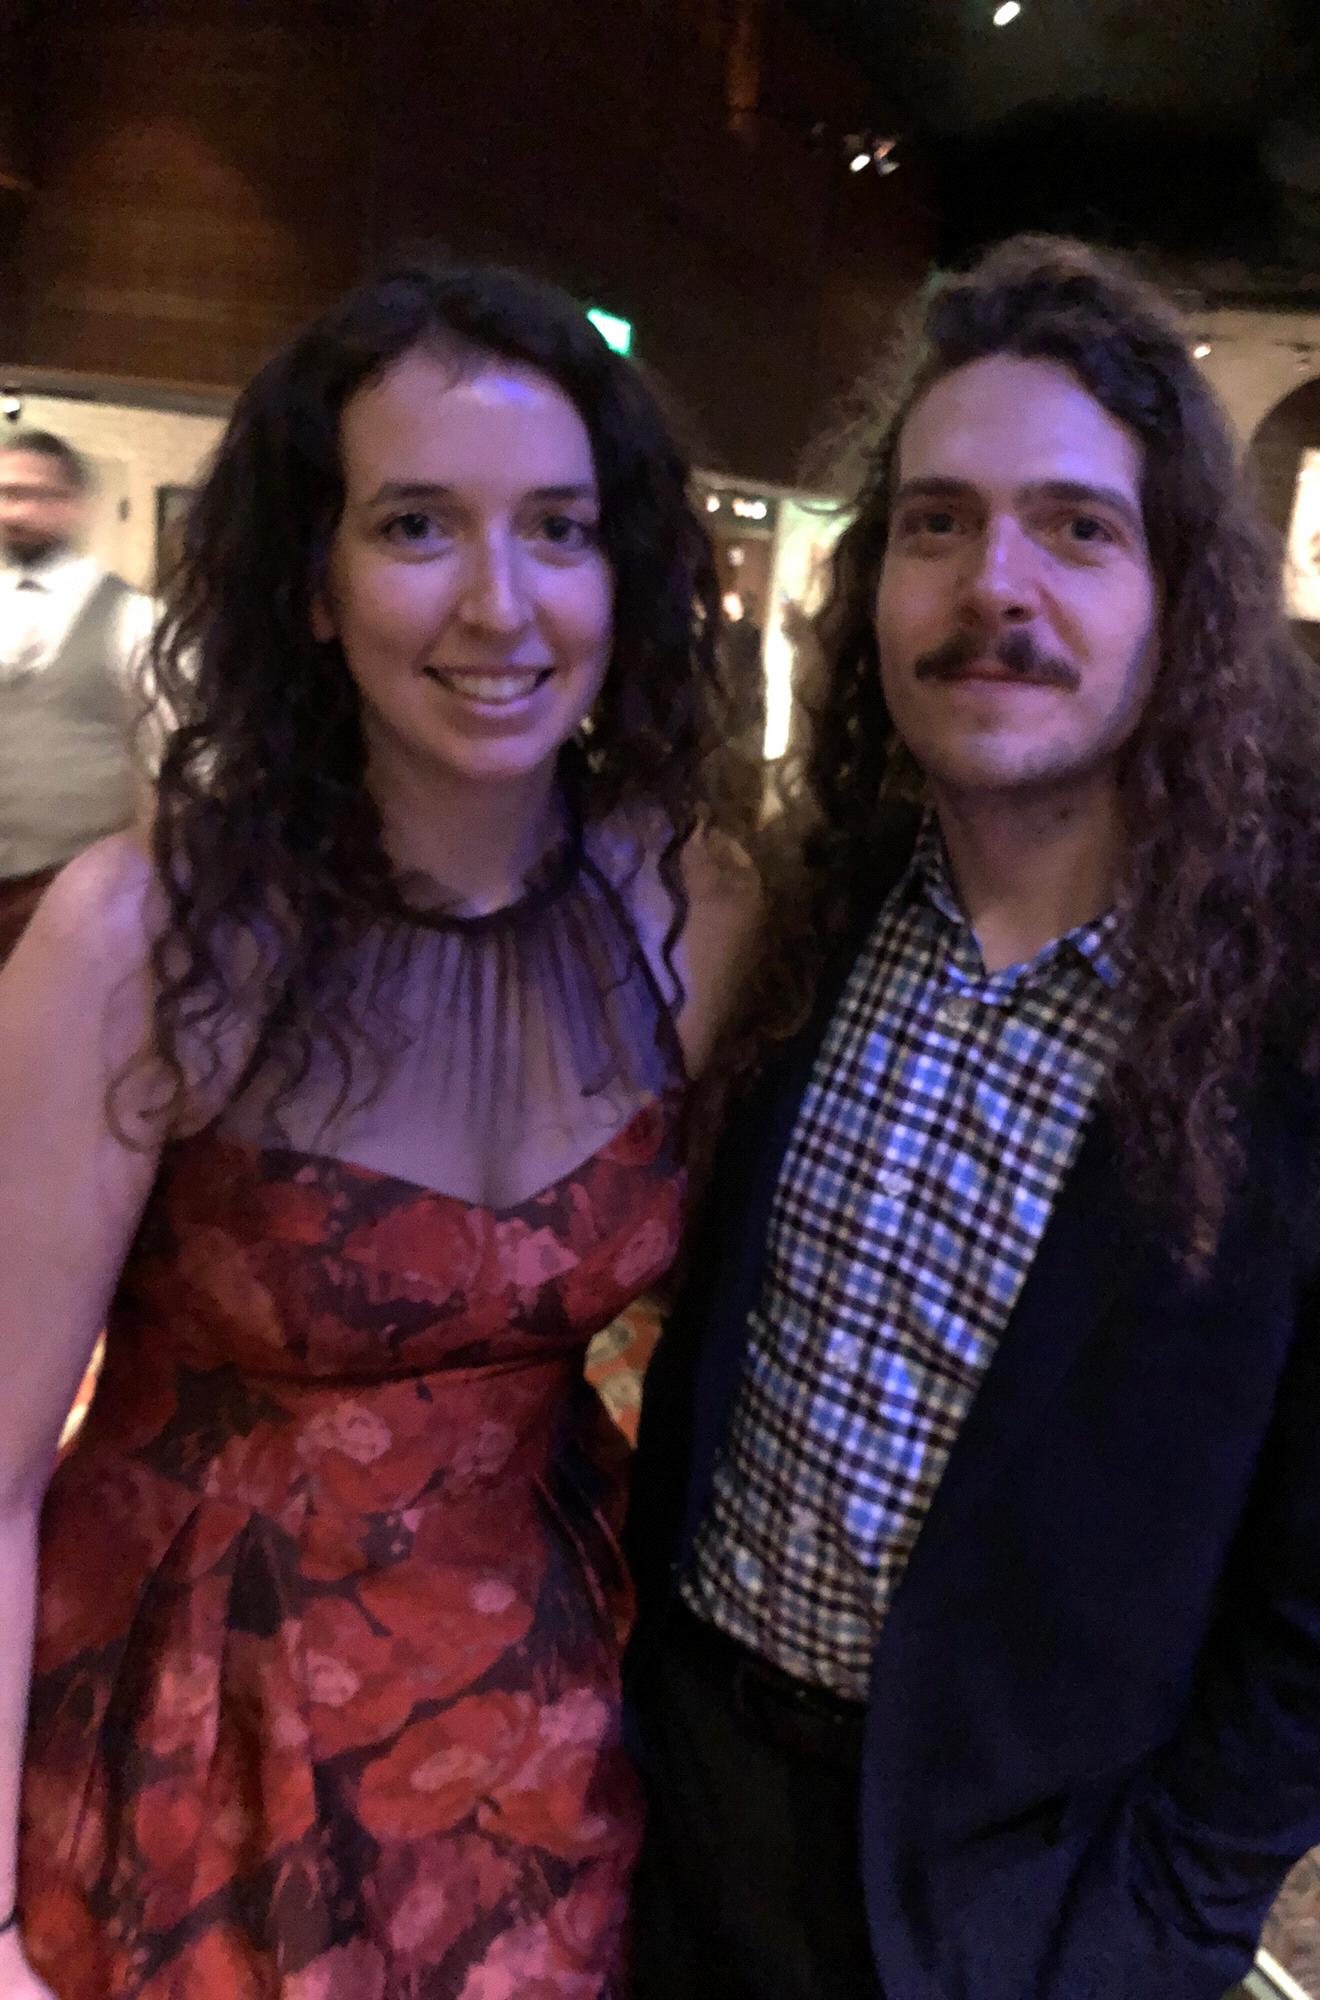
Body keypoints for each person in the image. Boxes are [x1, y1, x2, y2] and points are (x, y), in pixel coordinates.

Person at [625, 235, 1320, 2000]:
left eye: (1077, 528)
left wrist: (1139, 1938)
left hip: (1008, 1924)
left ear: (1188, 597)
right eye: (937, 522)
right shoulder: (803, 934)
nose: (992, 586)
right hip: (672, 1817)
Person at [0, 265, 752, 1999]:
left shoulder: (696, 906)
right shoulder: (142, 938)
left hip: (552, 1745)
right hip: (188, 1740)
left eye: (560, 529)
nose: (501, 602)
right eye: (417, 525)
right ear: (314, 586)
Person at [0, 431, 154, 963]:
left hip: (76, 889)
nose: (13, 512)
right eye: (3, 494)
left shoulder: (135, 618)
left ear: (73, 505)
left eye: (30, 494)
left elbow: (179, 758)